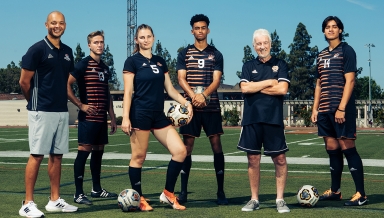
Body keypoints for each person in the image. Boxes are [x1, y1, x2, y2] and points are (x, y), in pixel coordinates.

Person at [121, 24, 193, 211]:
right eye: (142, 37)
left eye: (148, 36)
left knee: (180, 151)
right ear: (137, 40)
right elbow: (128, 92)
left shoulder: (160, 61)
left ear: (153, 38)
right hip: (140, 113)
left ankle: (168, 194)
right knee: (139, 157)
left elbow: (169, 90)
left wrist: (186, 103)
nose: (145, 40)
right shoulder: (132, 61)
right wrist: (125, 118)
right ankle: (139, 198)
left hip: (158, 115)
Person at [18, 11, 78, 217]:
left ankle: (54, 200)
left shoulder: (69, 51)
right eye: (53, 23)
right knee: (37, 155)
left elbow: (65, 82)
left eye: (61, 23)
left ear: (65, 25)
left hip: (61, 110)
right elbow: (24, 82)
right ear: (46, 25)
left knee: (57, 156)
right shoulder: (37, 50)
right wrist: (34, 103)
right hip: (41, 110)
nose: (57, 26)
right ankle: (27, 203)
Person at [311, 16, 368, 206]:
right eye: (327, 27)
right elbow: (318, 84)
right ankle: (335, 191)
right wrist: (315, 108)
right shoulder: (320, 55)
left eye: (334, 27)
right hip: (325, 111)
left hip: (341, 109)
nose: (331, 30)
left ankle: (361, 194)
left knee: (347, 148)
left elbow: (350, 81)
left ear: (340, 30)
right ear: (323, 31)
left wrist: (342, 108)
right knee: (332, 148)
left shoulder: (347, 50)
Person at [237, 29, 290, 213]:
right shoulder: (248, 65)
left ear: (270, 44)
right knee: (253, 159)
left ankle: (280, 200)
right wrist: (269, 82)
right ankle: (254, 199)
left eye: (265, 43)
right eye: (258, 44)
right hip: (251, 119)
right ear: (254, 46)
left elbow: (282, 89)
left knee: (280, 159)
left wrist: (255, 87)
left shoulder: (280, 64)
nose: (262, 46)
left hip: (273, 119)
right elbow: (244, 89)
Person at [177, 14, 228, 205]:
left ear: (208, 30)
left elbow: (216, 80)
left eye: (203, 27)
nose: (200, 31)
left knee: (216, 146)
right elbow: (181, 78)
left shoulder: (216, 54)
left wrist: (203, 95)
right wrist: (193, 97)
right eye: (197, 28)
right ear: (192, 31)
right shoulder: (184, 54)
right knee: (186, 148)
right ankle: (183, 193)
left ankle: (220, 192)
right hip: (190, 108)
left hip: (211, 106)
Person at [67, 30, 118, 205]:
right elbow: (67, 84)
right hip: (87, 119)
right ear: (89, 45)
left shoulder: (105, 67)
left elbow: (107, 92)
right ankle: (78, 193)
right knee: (84, 152)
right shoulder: (82, 64)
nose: (99, 45)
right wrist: (80, 105)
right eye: (96, 42)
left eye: (101, 42)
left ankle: (96, 189)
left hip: (101, 119)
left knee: (98, 152)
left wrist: (111, 115)